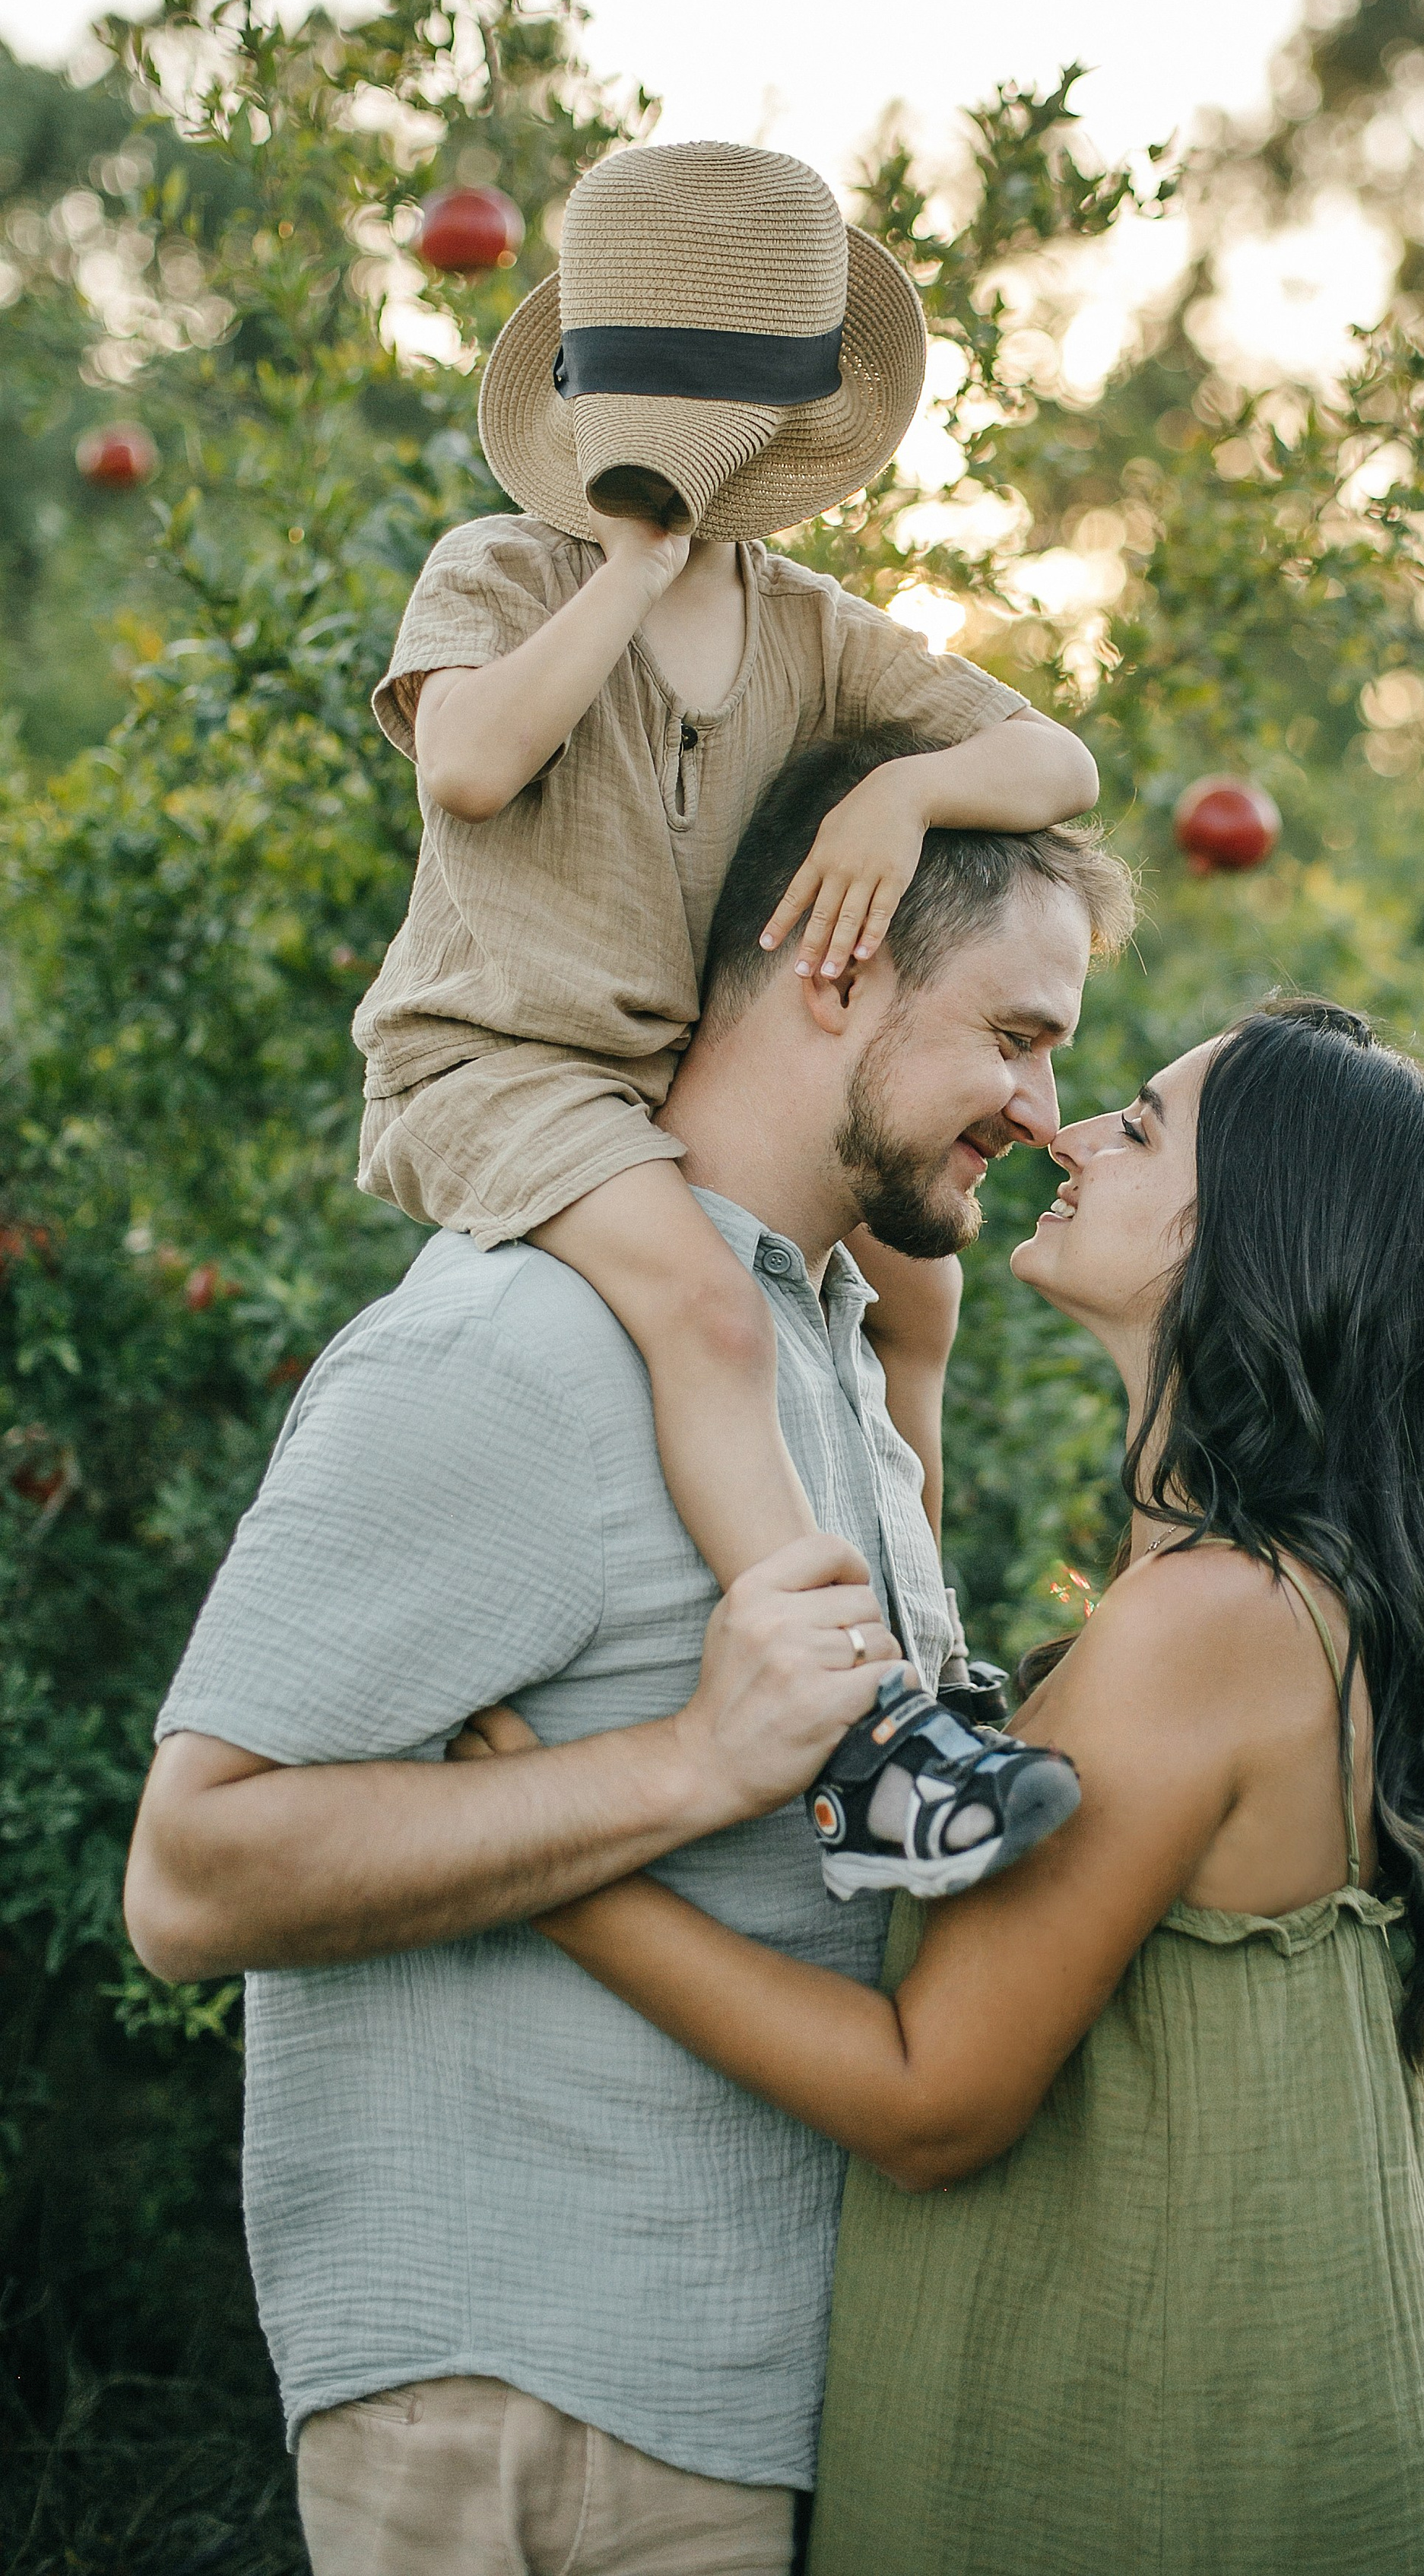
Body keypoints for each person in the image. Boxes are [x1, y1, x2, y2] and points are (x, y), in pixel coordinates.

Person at [122, 738, 1135, 2576]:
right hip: (534, 2404)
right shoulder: (522, 1344)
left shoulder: (817, 1348)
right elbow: (190, 1875)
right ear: (835, 969)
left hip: (733, 2393)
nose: (1043, 1105)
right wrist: (687, 1767)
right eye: (1014, 1034)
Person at [458, 997, 1424, 2576]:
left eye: (1141, 1126)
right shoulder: (1260, 1595)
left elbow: (929, 2100)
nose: (1073, 1132)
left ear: (1253, 1232)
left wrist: (551, 1861)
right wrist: (903, 1330)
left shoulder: (1208, 1622)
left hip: (1179, 2476)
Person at [354, 135, 1101, 1892]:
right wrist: (624, 565)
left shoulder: (811, 625)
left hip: (683, 1077)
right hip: (511, 1066)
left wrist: (901, 803)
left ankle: (926, 1659)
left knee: (917, 1282)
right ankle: (861, 1751)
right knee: (706, 1316)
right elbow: (465, 764)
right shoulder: (504, 570)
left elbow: (1057, 759)